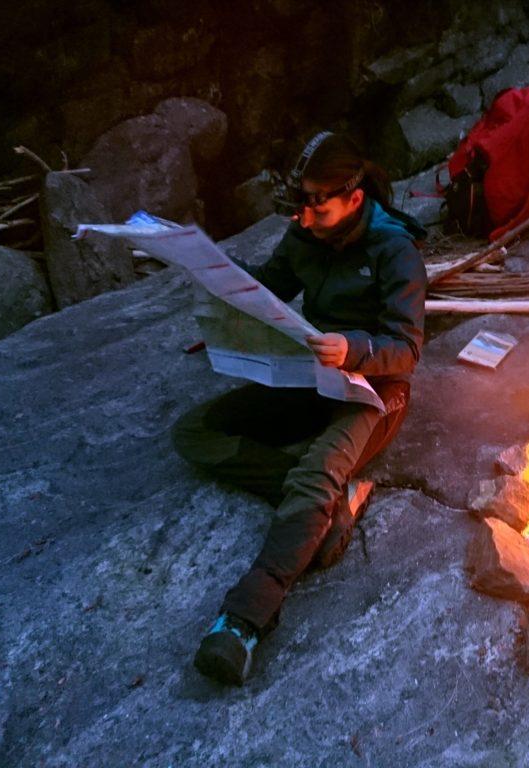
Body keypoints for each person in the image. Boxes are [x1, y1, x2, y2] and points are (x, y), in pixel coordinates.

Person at [173, 131, 427, 685]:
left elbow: (406, 348)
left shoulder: (395, 249)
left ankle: (242, 621)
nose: (305, 215)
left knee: (319, 468)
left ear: (354, 199)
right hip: (311, 374)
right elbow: (270, 289)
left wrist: (353, 349)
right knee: (195, 433)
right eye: (301, 200)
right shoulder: (305, 235)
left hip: (374, 392)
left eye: (318, 202)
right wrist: (223, 300)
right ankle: (325, 510)